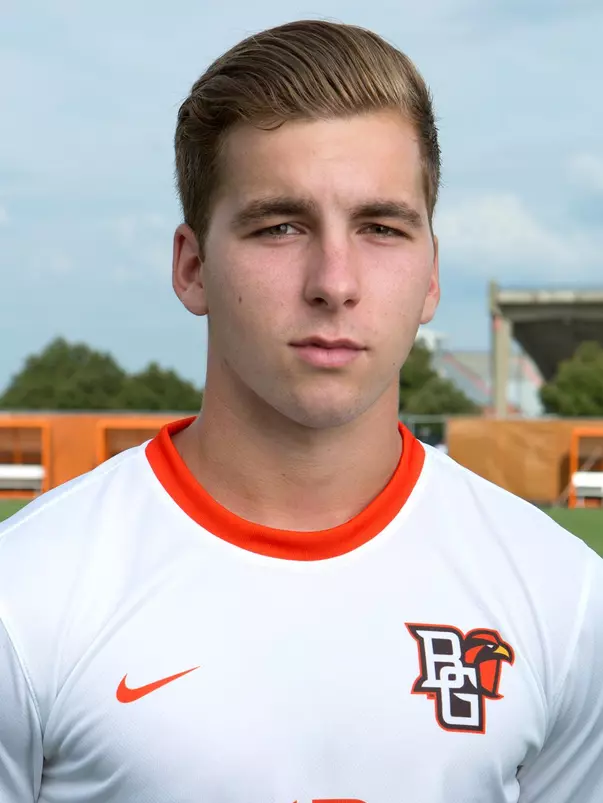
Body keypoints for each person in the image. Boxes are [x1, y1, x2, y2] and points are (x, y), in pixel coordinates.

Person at [0, 19, 601, 803]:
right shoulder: (27, 594)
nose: (334, 280)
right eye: (279, 225)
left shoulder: (564, 596)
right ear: (191, 268)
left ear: (429, 278)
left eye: (381, 227)